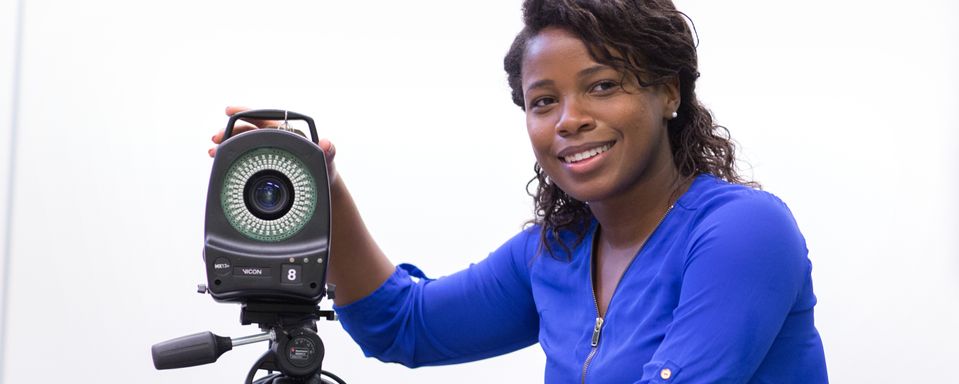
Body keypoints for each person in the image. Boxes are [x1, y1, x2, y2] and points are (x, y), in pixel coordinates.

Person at [210, 0, 828, 382]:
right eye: (544, 101)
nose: (569, 119)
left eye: (604, 85)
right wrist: (326, 185)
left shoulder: (742, 231)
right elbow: (404, 325)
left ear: (669, 92)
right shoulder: (553, 254)